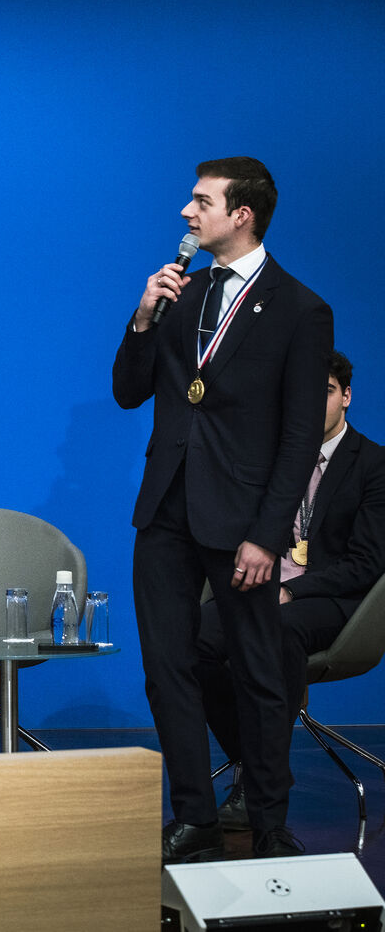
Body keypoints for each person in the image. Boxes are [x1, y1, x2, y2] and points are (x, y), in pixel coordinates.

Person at [112, 156, 334, 862]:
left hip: (243, 522)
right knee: (166, 668)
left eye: (201, 201)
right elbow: (128, 391)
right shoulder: (183, 291)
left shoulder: (300, 309)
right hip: (166, 508)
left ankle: (268, 822)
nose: (187, 211)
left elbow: (300, 436)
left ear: (242, 215)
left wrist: (268, 535)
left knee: (259, 673)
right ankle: (195, 816)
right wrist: (142, 319)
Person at [198, 351, 385, 829]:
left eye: (326, 391)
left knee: (277, 630)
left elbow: (366, 564)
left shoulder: (374, 465)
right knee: (190, 639)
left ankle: (254, 786)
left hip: (331, 601)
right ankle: (262, 767)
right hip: (261, 588)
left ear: (346, 396)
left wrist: (294, 591)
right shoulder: (275, 459)